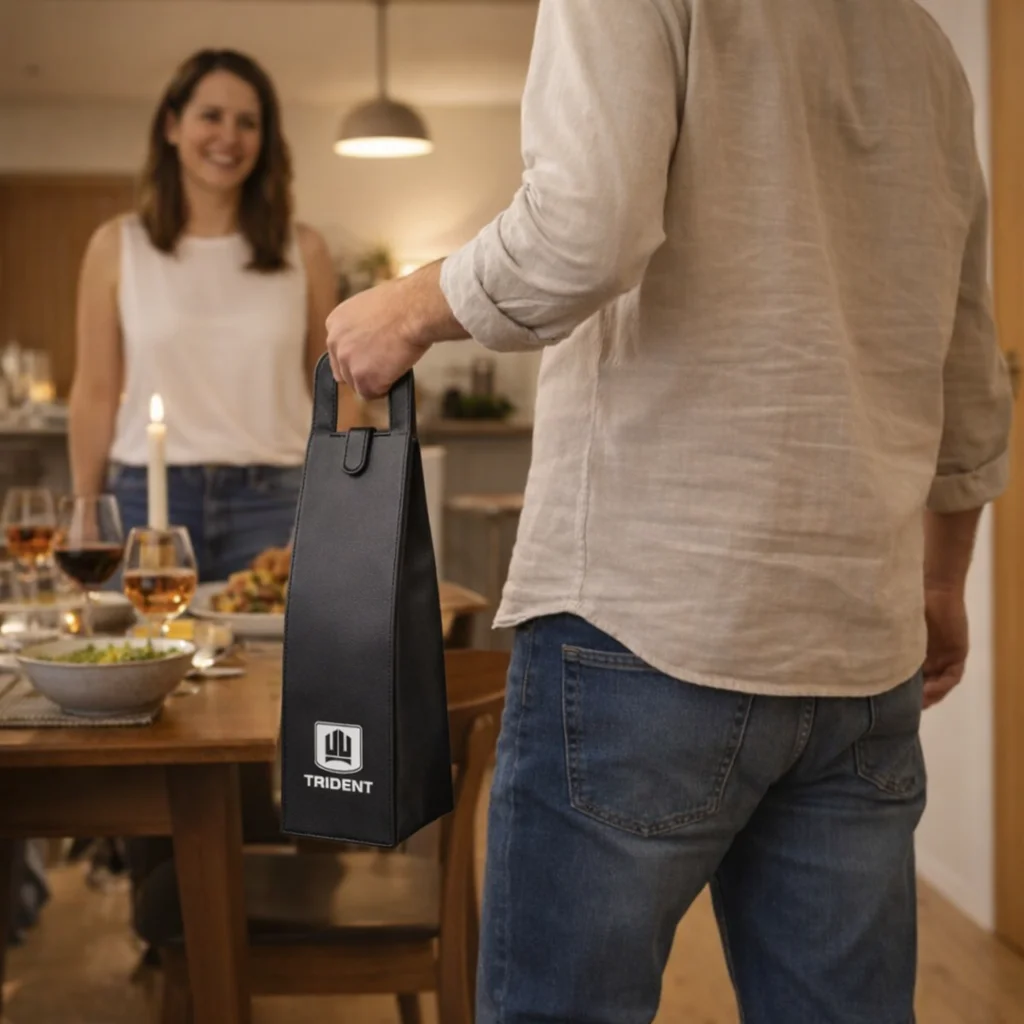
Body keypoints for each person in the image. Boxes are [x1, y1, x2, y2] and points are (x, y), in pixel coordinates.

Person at [325, 2, 1013, 1022]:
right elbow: (968, 359)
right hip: (861, 648)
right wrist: (939, 578)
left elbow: (580, 232)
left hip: (647, 618)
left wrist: (403, 305)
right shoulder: (918, 46)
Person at [69, 48, 352, 581]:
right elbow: (95, 390)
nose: (229, 137)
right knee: (146, 659)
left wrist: (347, 505)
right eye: (211, 116)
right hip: (144, 501)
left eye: (248, 122)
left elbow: (337, 390)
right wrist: (86, 510)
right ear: (172, 126)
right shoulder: (116, 246)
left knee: (277, 664)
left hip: (278, 499)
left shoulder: (305, 251)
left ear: (265, 141)